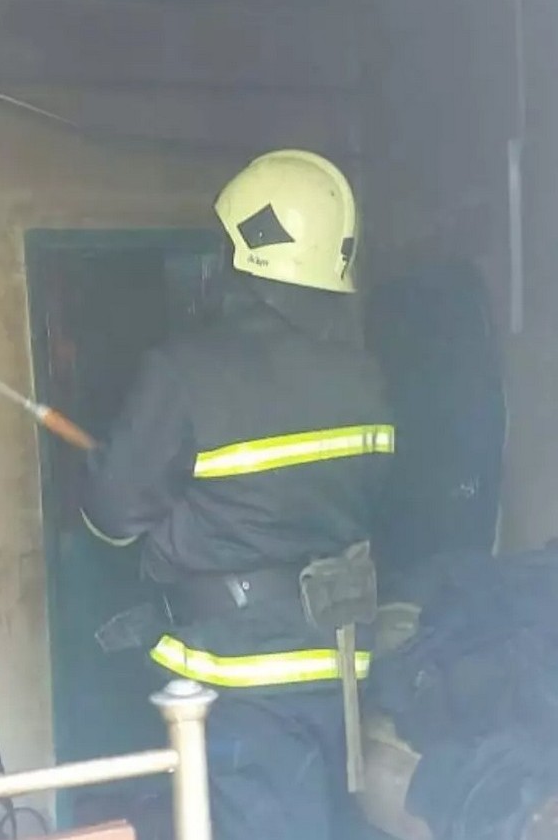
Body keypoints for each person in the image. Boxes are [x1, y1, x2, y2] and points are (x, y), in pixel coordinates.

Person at [81, 149, 395, 840]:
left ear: (242, 250)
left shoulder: (184, 371)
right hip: (342, 659)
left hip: (239, 669)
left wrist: (119, 463)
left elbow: (112, 517)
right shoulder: (364, 375)